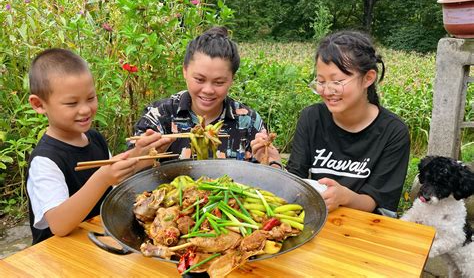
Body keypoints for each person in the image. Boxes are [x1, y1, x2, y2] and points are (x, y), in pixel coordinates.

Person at [251, 30, 410, 215]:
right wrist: (273, 163)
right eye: (320, 81)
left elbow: (378, 201)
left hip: (364, 227)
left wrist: (346, 197)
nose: (327, 91)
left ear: (368, 78)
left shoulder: (392, 132)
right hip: (318, 222)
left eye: (337, 81)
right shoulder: (312, 118)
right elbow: (296, 179)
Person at [26, 48, 166, 244]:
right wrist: (102, 178)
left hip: (94, 240)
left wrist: (144, 154)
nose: (85, 109)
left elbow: (115, 176)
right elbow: (59, 225)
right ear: (39, 104)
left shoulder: (94, 138)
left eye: (90, 98)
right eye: (71, 103)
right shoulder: (45, 160)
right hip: (58, 255)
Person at [132, 26, 270, 162]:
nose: (208, 90)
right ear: (185, 71)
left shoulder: (248, 121)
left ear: (231, 79)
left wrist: (270, 161)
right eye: (199, 79)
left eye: (219, 82)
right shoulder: (160, 116)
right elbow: (128, 175)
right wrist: (143, 156)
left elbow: (268, 178)